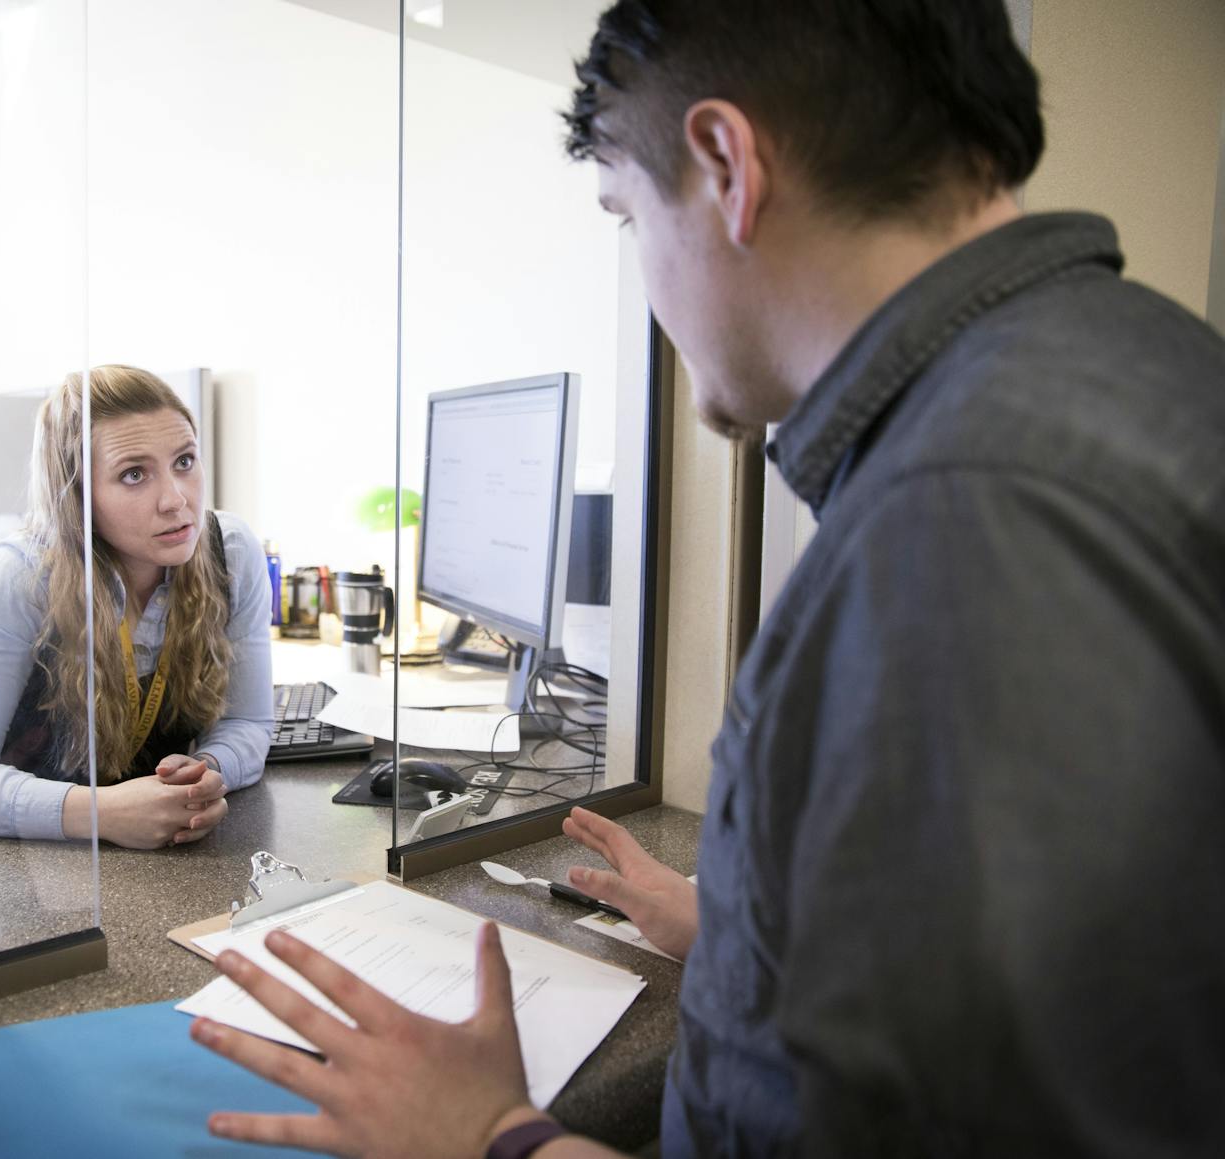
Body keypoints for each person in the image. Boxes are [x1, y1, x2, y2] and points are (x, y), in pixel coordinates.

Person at [190, 1, 1225, 1155]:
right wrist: (745, 936)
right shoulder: (1128, 372)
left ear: (728, 165)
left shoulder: (964, 516)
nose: (646, 283)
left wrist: (488, 1134)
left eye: (629, 217)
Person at [0, 364, 275, 849]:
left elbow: (248, 723)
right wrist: (100, 814)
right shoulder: (18, 579)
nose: (175, 500)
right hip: (33, 869)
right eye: (133, 474)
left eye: (185, 461)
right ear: (78, 495)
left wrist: (208, 774)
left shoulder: (228, 550)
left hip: (171, 854)